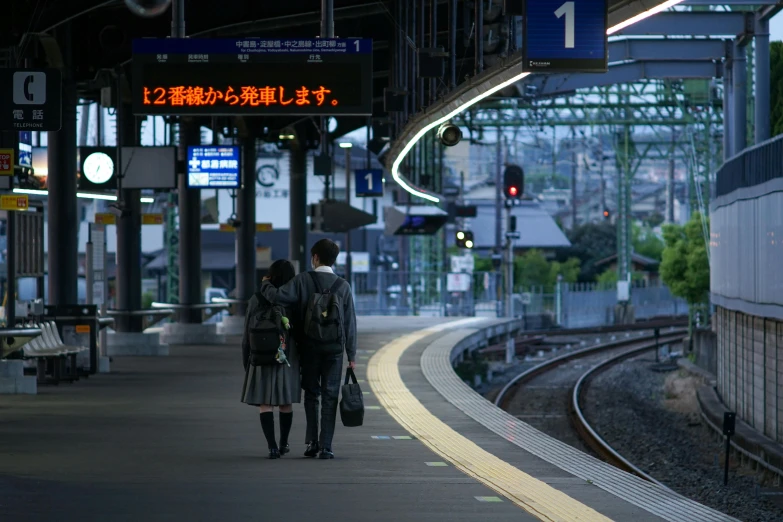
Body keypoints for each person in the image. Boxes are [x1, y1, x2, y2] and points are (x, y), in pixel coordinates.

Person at [259, 239, 357, 459]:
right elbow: (350, 322)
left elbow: (277, 297)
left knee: (312, 393)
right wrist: (352, 354)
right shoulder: (343, 286)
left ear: (314, 257)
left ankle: (312, 442)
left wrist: (265, 283)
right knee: (331, 395)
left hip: (309, 347)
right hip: (334, 349)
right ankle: (327, 446)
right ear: (334, 259)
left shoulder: (303, 280)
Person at [241, 259, 301, 459]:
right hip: (286, 355)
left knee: (265, 403)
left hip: (260, 355)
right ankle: (284, 443)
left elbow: (246, 334)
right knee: (285, 402)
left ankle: (272, 446)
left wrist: (247, 360)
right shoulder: (293, 298)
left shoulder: (256, 298)